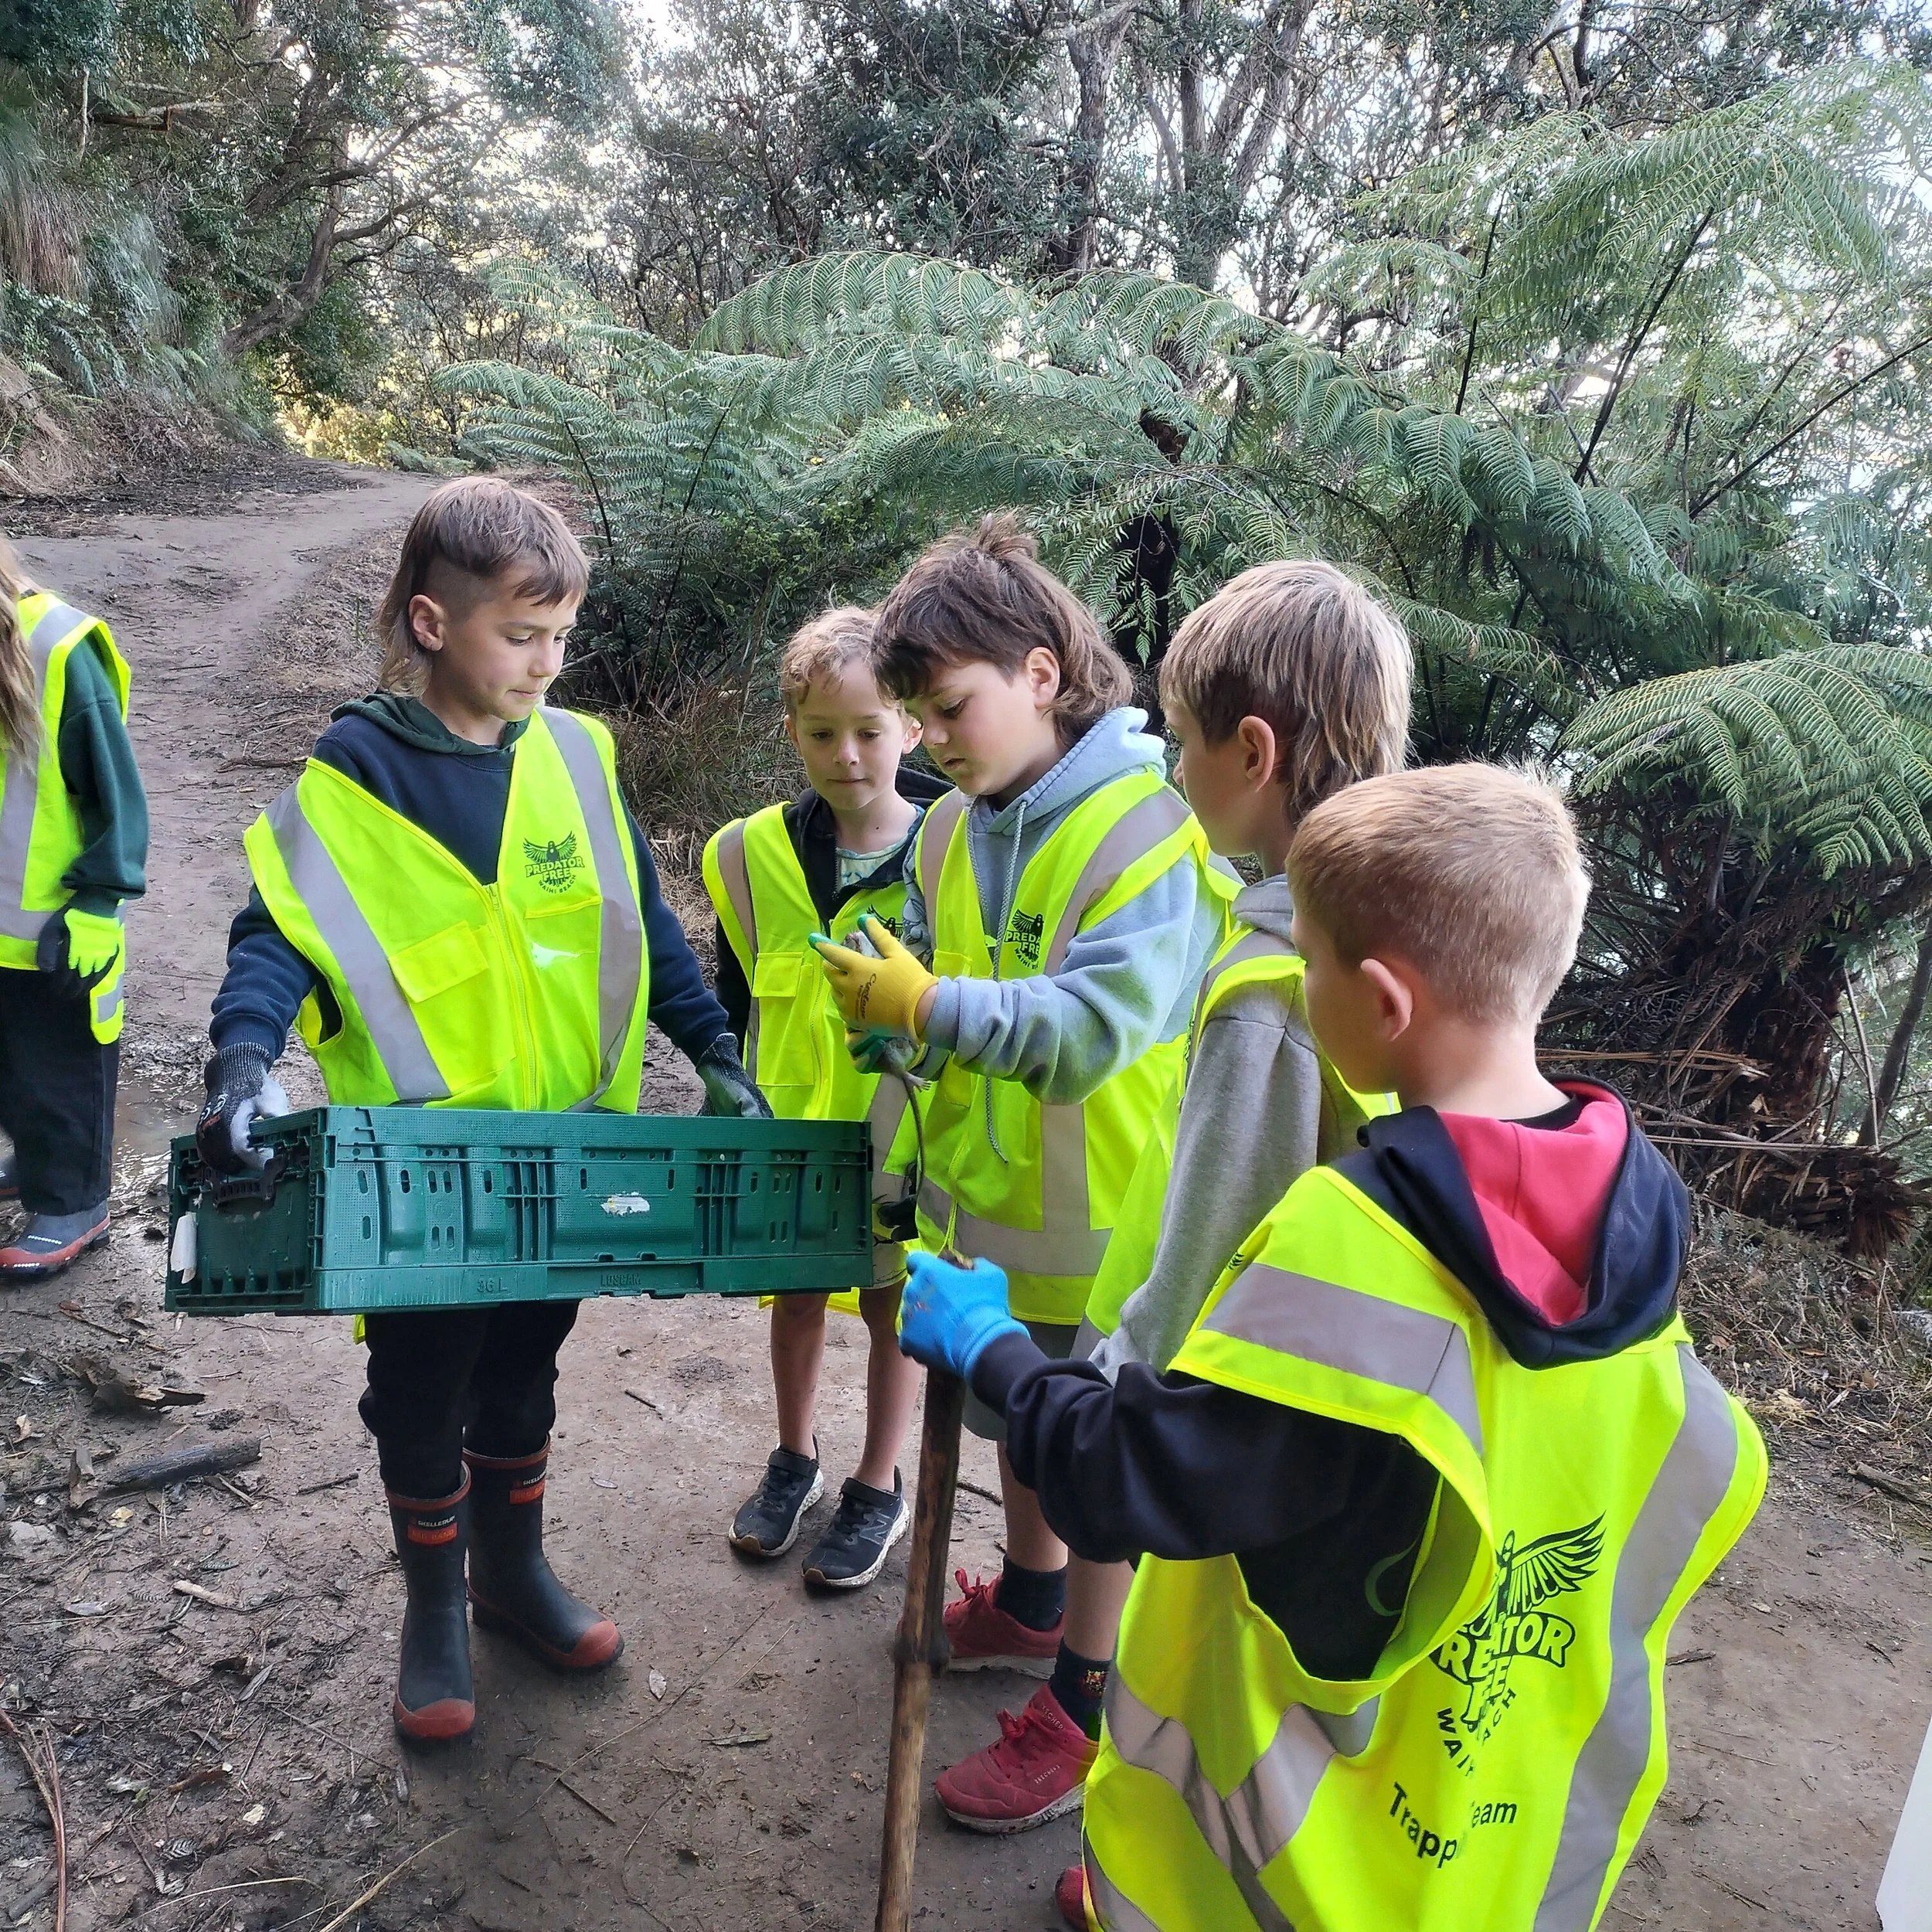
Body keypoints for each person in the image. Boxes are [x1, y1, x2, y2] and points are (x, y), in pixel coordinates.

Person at [895, 763, 1767, 1930]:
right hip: (1480, 1831)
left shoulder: (1349, 1238)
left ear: (1384, 1001)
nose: (1295, 983)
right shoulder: (1634, 1214)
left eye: (1305, 958)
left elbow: (1126, 1481)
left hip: (1294, 1861)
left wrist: (989, 1344)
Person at [196, 478, 770, 1746]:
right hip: (423, 1179)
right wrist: (245, 1063)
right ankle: (433, 1612)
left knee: (524, 1374)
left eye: (563, 635)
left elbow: (644, 928)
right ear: (430, 624)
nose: (549, 664)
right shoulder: (353, 777)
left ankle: (510, 1577)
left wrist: (716, 1051)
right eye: (523, 636)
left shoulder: (579, 754)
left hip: (566, 1161)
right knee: (419, 1392)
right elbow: (274, 940)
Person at [923, 560, 1413, 1830]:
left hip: (1224, 1376)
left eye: (1185, 745)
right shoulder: (1381, 914)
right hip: (1315, 1370)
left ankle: (1124, 1794)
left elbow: (1217, 1236)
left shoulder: (1278, 981)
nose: (1169, 769)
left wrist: (1108, 1392)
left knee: (1210, 1638)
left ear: (1253, 753)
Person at [812, 513, 1231, 1830]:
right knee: (1020, 1435)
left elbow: (1092, 1032)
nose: (931, 741)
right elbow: (953, 1000)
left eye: (950, 710)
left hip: (1113, 1225)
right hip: (987, 1215)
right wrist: (894, 1021)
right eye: (920, 719)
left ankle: (1084, 1706)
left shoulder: (1152, 832)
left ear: (1043, 673)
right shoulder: (948, 831)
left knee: (1093, 1464)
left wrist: (927, 1006)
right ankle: (1032, 1609)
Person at [707, 607, 947, 1589]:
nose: (846, 756)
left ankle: (875, 1483)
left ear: (913, 729)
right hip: (791, 1139)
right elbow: (728, 1006)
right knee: (798, 1295)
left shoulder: (951, 851)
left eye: (869, 731)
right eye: (820, 733)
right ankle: (794, 1458)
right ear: (790, 730)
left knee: (894, 1305)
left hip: (900, 1141)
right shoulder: (745, 856)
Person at [0, 539, 147, 1280]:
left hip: (56, 927)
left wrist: (100, 898)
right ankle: (32, 1162)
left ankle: (75, 1201)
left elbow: (115, 789)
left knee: (58, 1067)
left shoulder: (57, 649)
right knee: (10, 1068)